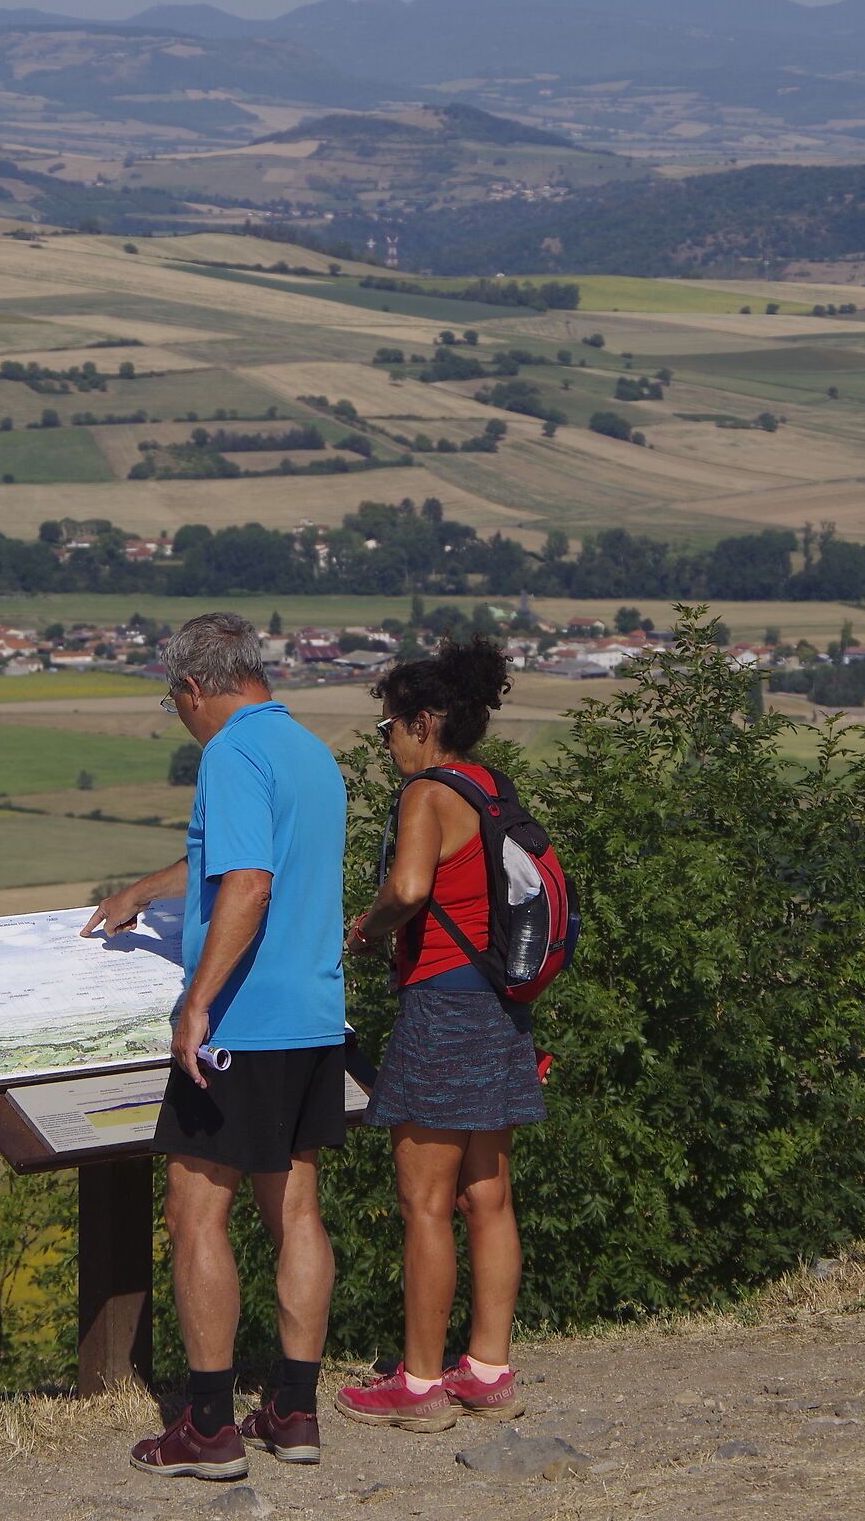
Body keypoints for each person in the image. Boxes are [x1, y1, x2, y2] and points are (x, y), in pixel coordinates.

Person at [84, 610, 348, 1479]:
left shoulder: (230, 753)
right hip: (313, 1014)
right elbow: (227, 862)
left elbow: (247, 882)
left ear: (194, 687)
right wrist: (144, 893)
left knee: (195, 1213)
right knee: (296, 1211)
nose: (181, 716)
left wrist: (197, 1003)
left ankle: (206, 1427)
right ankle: (295, 1412)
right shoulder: (309, 751)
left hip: (244, 1021)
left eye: (176, 702)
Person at [335, 638, 542, 1432]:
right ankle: (487, 1369)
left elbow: (413, 886)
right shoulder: (493, 787)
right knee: (487, 1195)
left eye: (388, 727)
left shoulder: (427, 794)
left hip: (442, 1003)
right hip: (499, 1005)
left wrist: (371, 927)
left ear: (424, 723)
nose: (386, 743)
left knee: (423, 1202)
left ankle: (418, 1383)